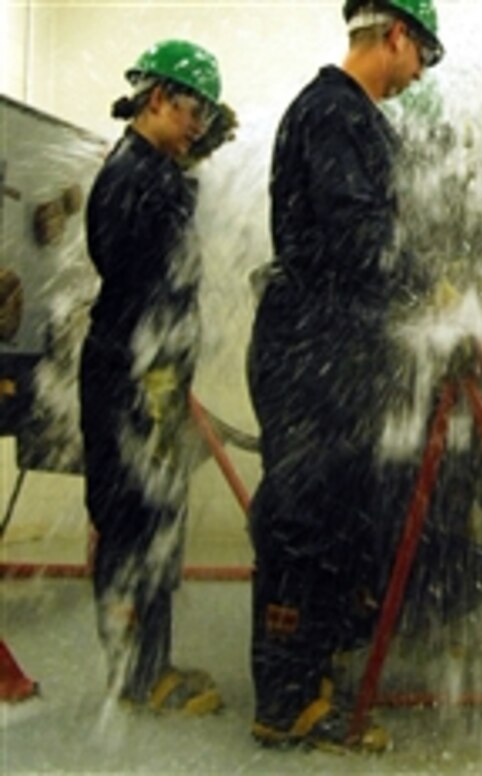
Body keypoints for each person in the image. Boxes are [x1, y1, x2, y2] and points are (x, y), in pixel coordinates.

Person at [246, 0, 443, 751]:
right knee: (302, 519)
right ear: (396, 35)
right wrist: (434, 288)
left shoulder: (349, 113)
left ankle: (311, 674)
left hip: (336, 343)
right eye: (420, 54)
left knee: (335, 516)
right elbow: (360, 234)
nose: (419, 72)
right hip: (311, 345)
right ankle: (285, 701)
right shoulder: (333, 111)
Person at [80, 39, 228, 714]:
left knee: (144, 518)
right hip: (137, 376)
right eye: (192, 110)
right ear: (159, 98)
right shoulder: (144, 175)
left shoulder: (137, 164)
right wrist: (157, 378)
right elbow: (149, 278)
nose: (198, 125)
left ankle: (142, 669)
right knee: (139, 523)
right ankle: (140, 679)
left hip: (137, 370)